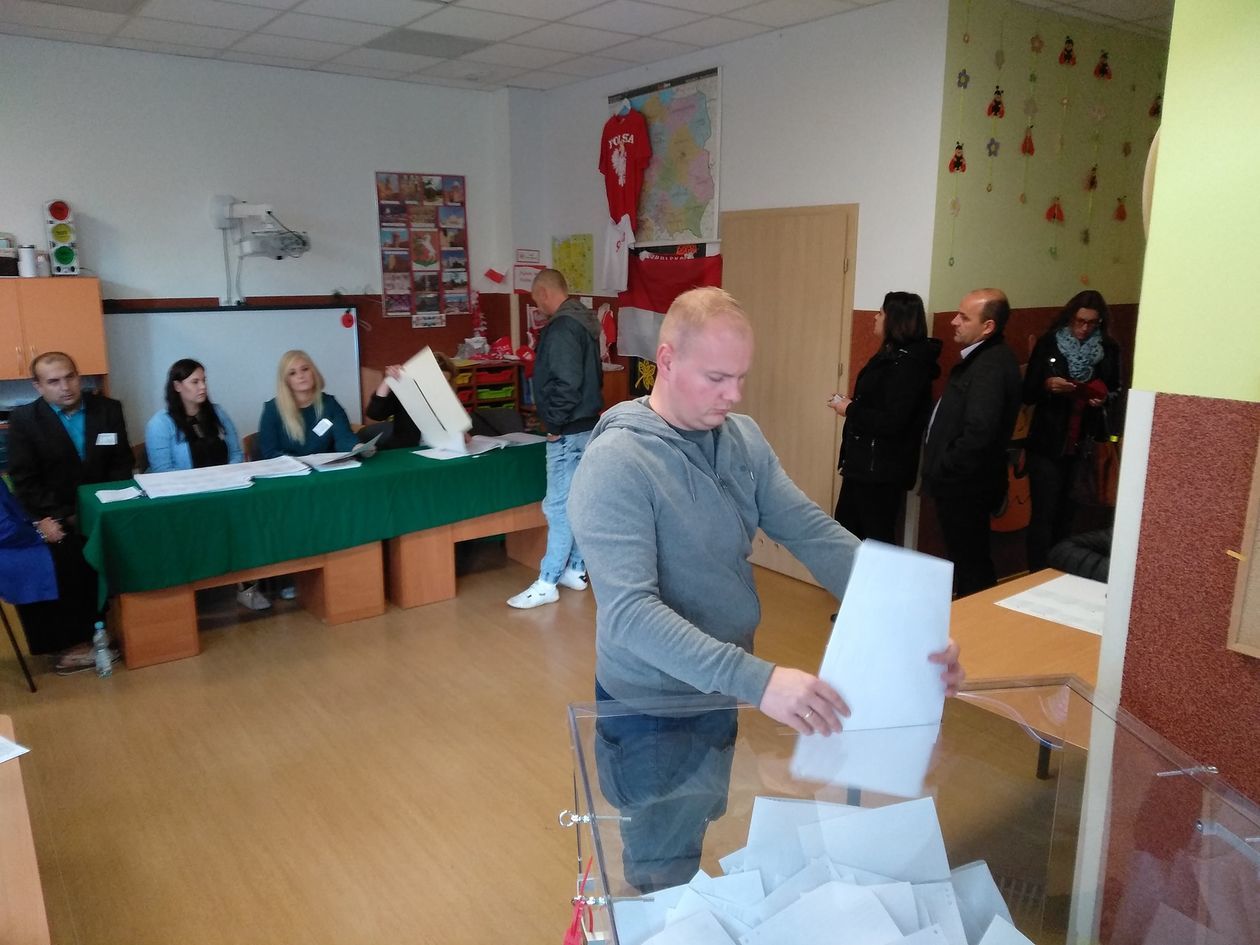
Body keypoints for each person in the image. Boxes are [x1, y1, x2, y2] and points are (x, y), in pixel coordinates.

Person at [569, 287, 964, 892]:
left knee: (698, 822)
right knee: (660, 870)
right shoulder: (617, 463)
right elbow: (630, 615)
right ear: (666, 361)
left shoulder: (742, 439)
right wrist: (759, 680)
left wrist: (914, 622)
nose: (734, 395)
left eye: (741, 377)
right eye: (717, 378)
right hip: (654, 707)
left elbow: (813, 533)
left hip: (719, 690)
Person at [7, 351, 130, 672]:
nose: (65, 387)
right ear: (38, 386)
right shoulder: (24, 421)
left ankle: (130, 625)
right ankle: (76, 643)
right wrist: (61, 515)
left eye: (70, 377)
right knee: (67, 557)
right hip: (57, 514)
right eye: (54, 381)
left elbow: (121, 464)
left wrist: (107, 507)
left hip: (105, 509)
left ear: (79, 376)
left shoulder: (108, 409)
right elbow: (25, 482)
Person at [506, 269, 603, 609]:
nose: (538, 307)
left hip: (568, 429)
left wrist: (554, 423)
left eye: (537, 300)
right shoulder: (584, 321)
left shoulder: (562, 328)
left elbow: (566, 382)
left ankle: (547, 581)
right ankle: (575, 569)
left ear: (546, 293)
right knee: (576, 501)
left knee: (558, 506)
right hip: (585, 426)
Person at [921, 289, 1022, 597]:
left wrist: (946, 466)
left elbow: (979, 432)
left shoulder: (990, 366)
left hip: (966, 485)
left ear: (988, 326)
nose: (954, 321)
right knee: (966, 558)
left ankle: (978, 619)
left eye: (964, 317)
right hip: (963, 482)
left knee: (971, 562)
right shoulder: (980, 359)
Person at [829, 291, 941, 543]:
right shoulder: (891, 355)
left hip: (880, 470)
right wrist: (852, 405)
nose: (875, 317)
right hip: (863, 465)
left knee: (875, 538)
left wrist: (850, 409)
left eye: (880, 313)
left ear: (895, 320)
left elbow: (893, 420)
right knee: (846, 533)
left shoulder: (909, 365)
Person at [1022, 291, 1122, 571]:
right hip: (1048, 442)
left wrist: (1103, 398)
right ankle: (1036, 574)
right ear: (1070, 318)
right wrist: (1048, 386)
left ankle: (1059, 572)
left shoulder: (1108, 348)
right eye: (1080, 321)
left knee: (1068, 517)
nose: (1084, 328)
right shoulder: (1050, 343)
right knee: (1043, 515)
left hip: (1085, 445)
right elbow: (1027, 392)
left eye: (1092, 323)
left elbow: (1116, 390)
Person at [144, 359, 244, 472]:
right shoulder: (160, 424)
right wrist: (203, 479)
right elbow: (162, 470)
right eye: (195, 382)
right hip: (184, 482)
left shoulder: (218, 412)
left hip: (226, 479)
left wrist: (227, 473)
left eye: (204, 380)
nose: (203, 386)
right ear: (177, 386)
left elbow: (236, 453)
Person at [257, 350, 357, 459]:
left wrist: (357, 447)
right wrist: (299, 463)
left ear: (313, 372)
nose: (301, 376)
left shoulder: (330, 404)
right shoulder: (272, 409)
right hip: (290, 467)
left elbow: (344, 438)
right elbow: (270, 452)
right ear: (285, 381)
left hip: (326, 466)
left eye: (305, 369)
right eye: (292, 373)